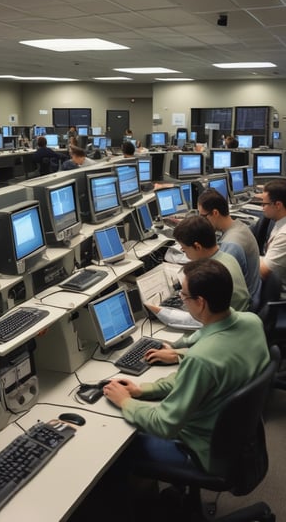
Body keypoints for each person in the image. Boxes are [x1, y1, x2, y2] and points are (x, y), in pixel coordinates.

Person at [103, 259, 269, 482]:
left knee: (119, 446)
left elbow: (164, 424)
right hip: (239, 441)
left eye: (184, 295)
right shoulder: (252, 322)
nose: (181, 298)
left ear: (200, 302)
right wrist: (144, 390)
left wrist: (125, 401)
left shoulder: (202, 359)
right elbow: (192, 380)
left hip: (205, 451)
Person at [146, 215, 250, 330]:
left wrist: (157, 310)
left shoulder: (211, 276)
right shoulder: (227, 257)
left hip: (226, 329)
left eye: (184, 249)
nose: (184, 253)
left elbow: (197, 321)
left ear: (197, 246)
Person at [198, 188, 261, 310]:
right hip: (252, 294)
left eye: (203, 216)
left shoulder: (231, 244)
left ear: (215, 213)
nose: (202, 221)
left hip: (243, 308)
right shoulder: (239, 226)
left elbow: (217, 287)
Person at [260, 179, 286, 299]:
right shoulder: (280, 220)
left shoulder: (284, 235)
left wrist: (247, 257)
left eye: (265, 204)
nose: (262, 208)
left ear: (278, 205)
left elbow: (264, 272)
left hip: (280, 293)